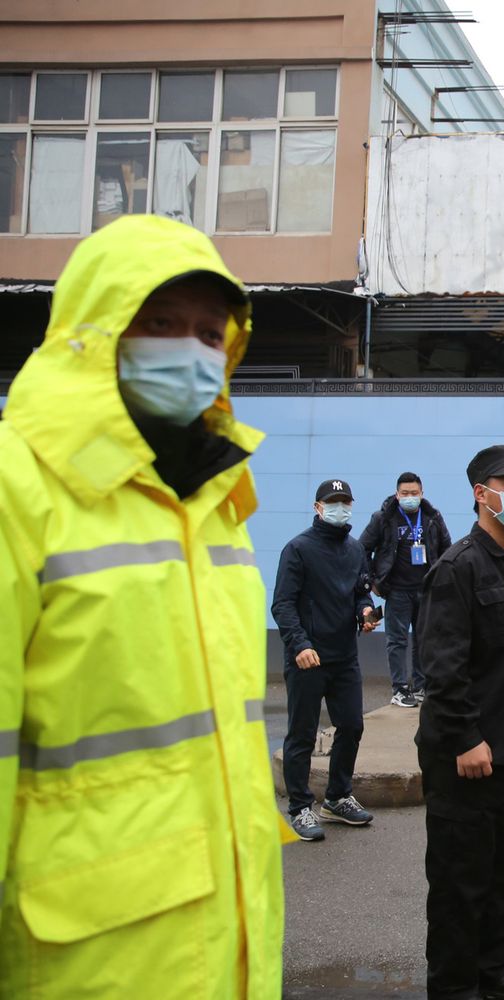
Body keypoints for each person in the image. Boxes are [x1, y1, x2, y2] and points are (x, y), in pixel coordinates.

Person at [0, 215, 285, 997]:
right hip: (85, 963)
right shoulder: (19, 484)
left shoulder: (215, 497)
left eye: (209, 333)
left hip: (228, 944)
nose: (190, 351)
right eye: (159, 323)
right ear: (93, 333)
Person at [416, 443, 504, 1000]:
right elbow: (442, 667)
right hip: (466, 755)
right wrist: (466, 738)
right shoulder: (457, 568)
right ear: (482, 494)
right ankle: (454, 988)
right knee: (460, 881)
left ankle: (491, 972)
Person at [273, 478, 379, 842]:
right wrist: (299, 644)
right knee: (302, 734)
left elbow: (361, 593)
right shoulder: (298, 549)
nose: (340, 508)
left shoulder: (355, 549)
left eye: (345, 502)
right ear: (318, 508)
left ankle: (336, 798)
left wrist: (365, 612)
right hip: (308, 657)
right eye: (333, 502)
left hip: (344, 656)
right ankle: (300, 807)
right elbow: (283, 604)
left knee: (351, 726)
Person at [361, 471, 452, 707]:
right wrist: (372, 580)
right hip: (396, 590)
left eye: (414, 493)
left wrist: (442, 581)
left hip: (426, 590)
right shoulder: (383, 518)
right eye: (405, 493)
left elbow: (446, 549)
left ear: (422, 493)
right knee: (397, 641)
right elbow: (362, 549)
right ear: (397, 494)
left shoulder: (432, 517)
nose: (409, 497)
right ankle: (400, 689)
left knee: (424, 639)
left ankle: (421, 687)